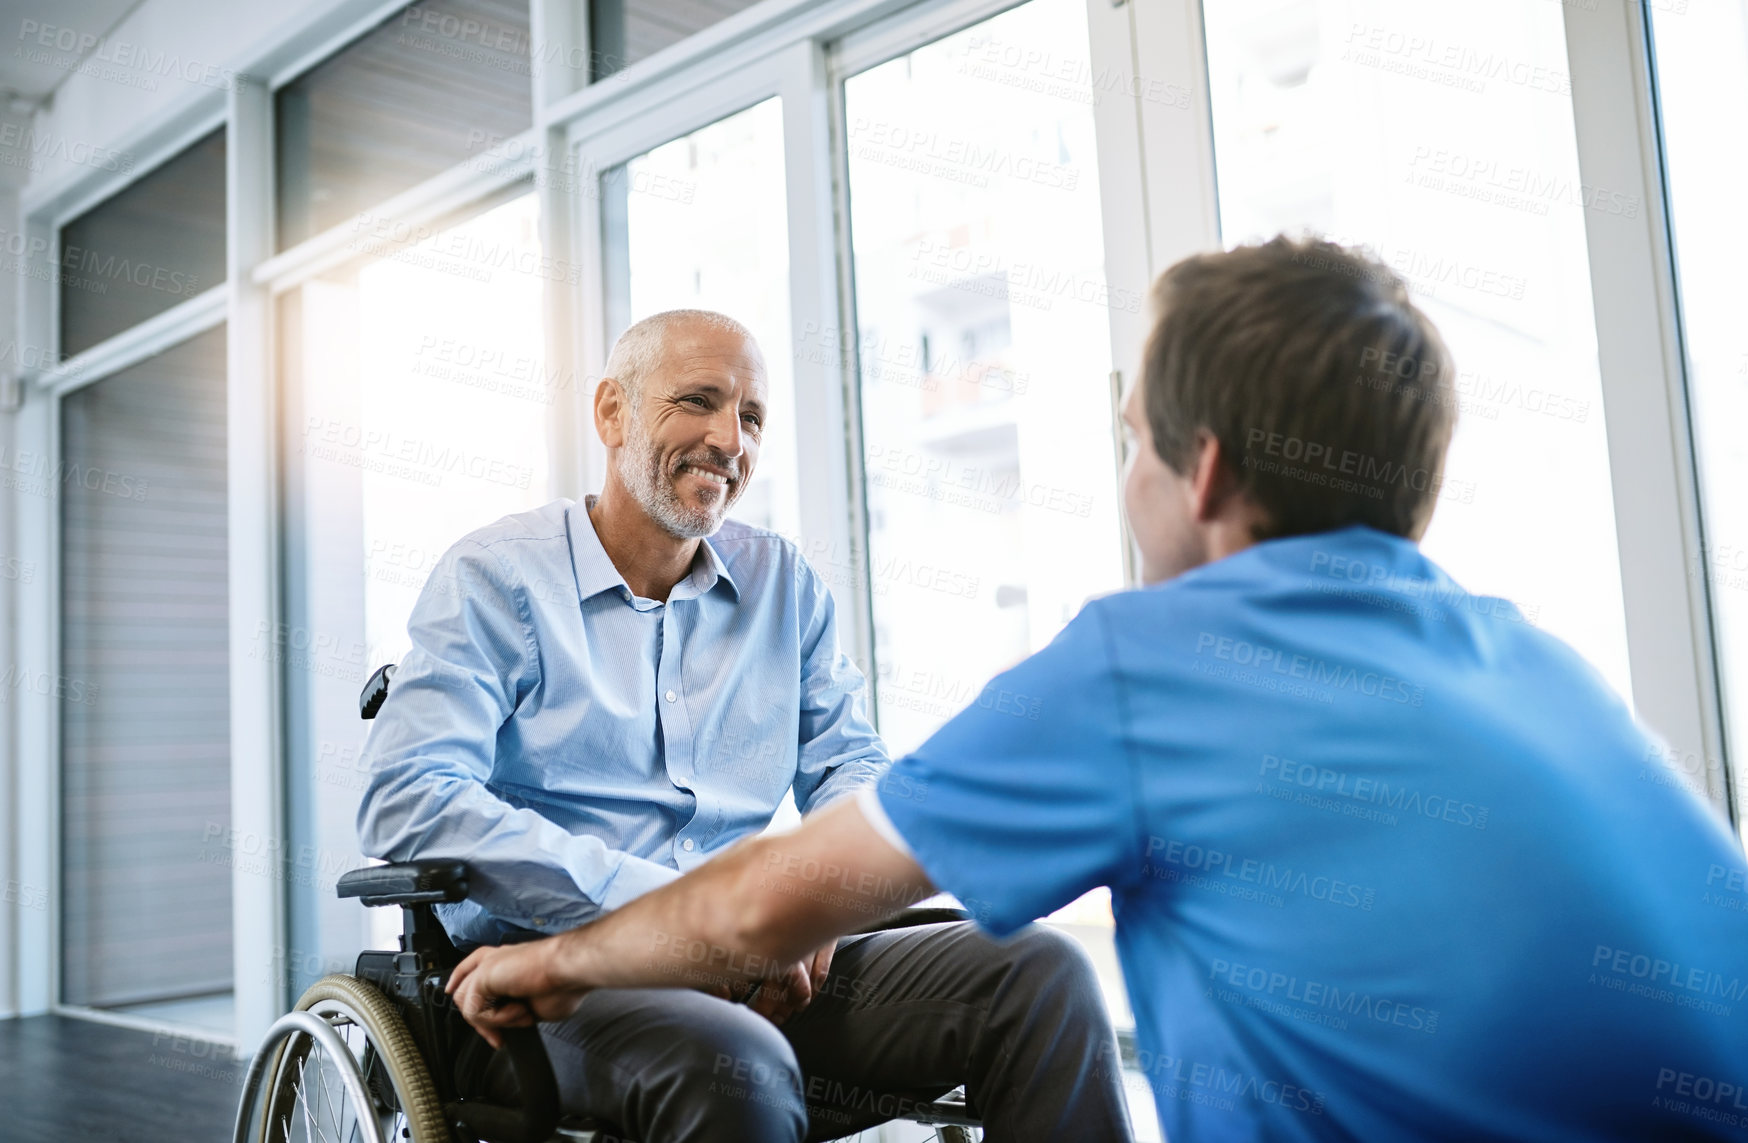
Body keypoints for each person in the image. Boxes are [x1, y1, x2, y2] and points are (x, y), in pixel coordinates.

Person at [450, 240, 1748, 1142]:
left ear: (1202, 473)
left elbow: (760, 897)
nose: (734, 440)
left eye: (1126, 434)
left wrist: (556, 961)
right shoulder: (1548, 667)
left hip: (707, 954)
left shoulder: (1157, 660)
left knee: (1031, 977)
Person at [356, 308, 1133, 1143]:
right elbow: (407, 794)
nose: (731, 440)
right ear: (612, 412)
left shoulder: (783, 585)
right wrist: (688, 917)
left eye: (752, 416)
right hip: (558, 986)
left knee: (1041, 974)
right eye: (698, 401)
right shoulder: (498, 578)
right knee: (733, 1059)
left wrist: (814, 910)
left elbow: (851, 766)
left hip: (769, 967)